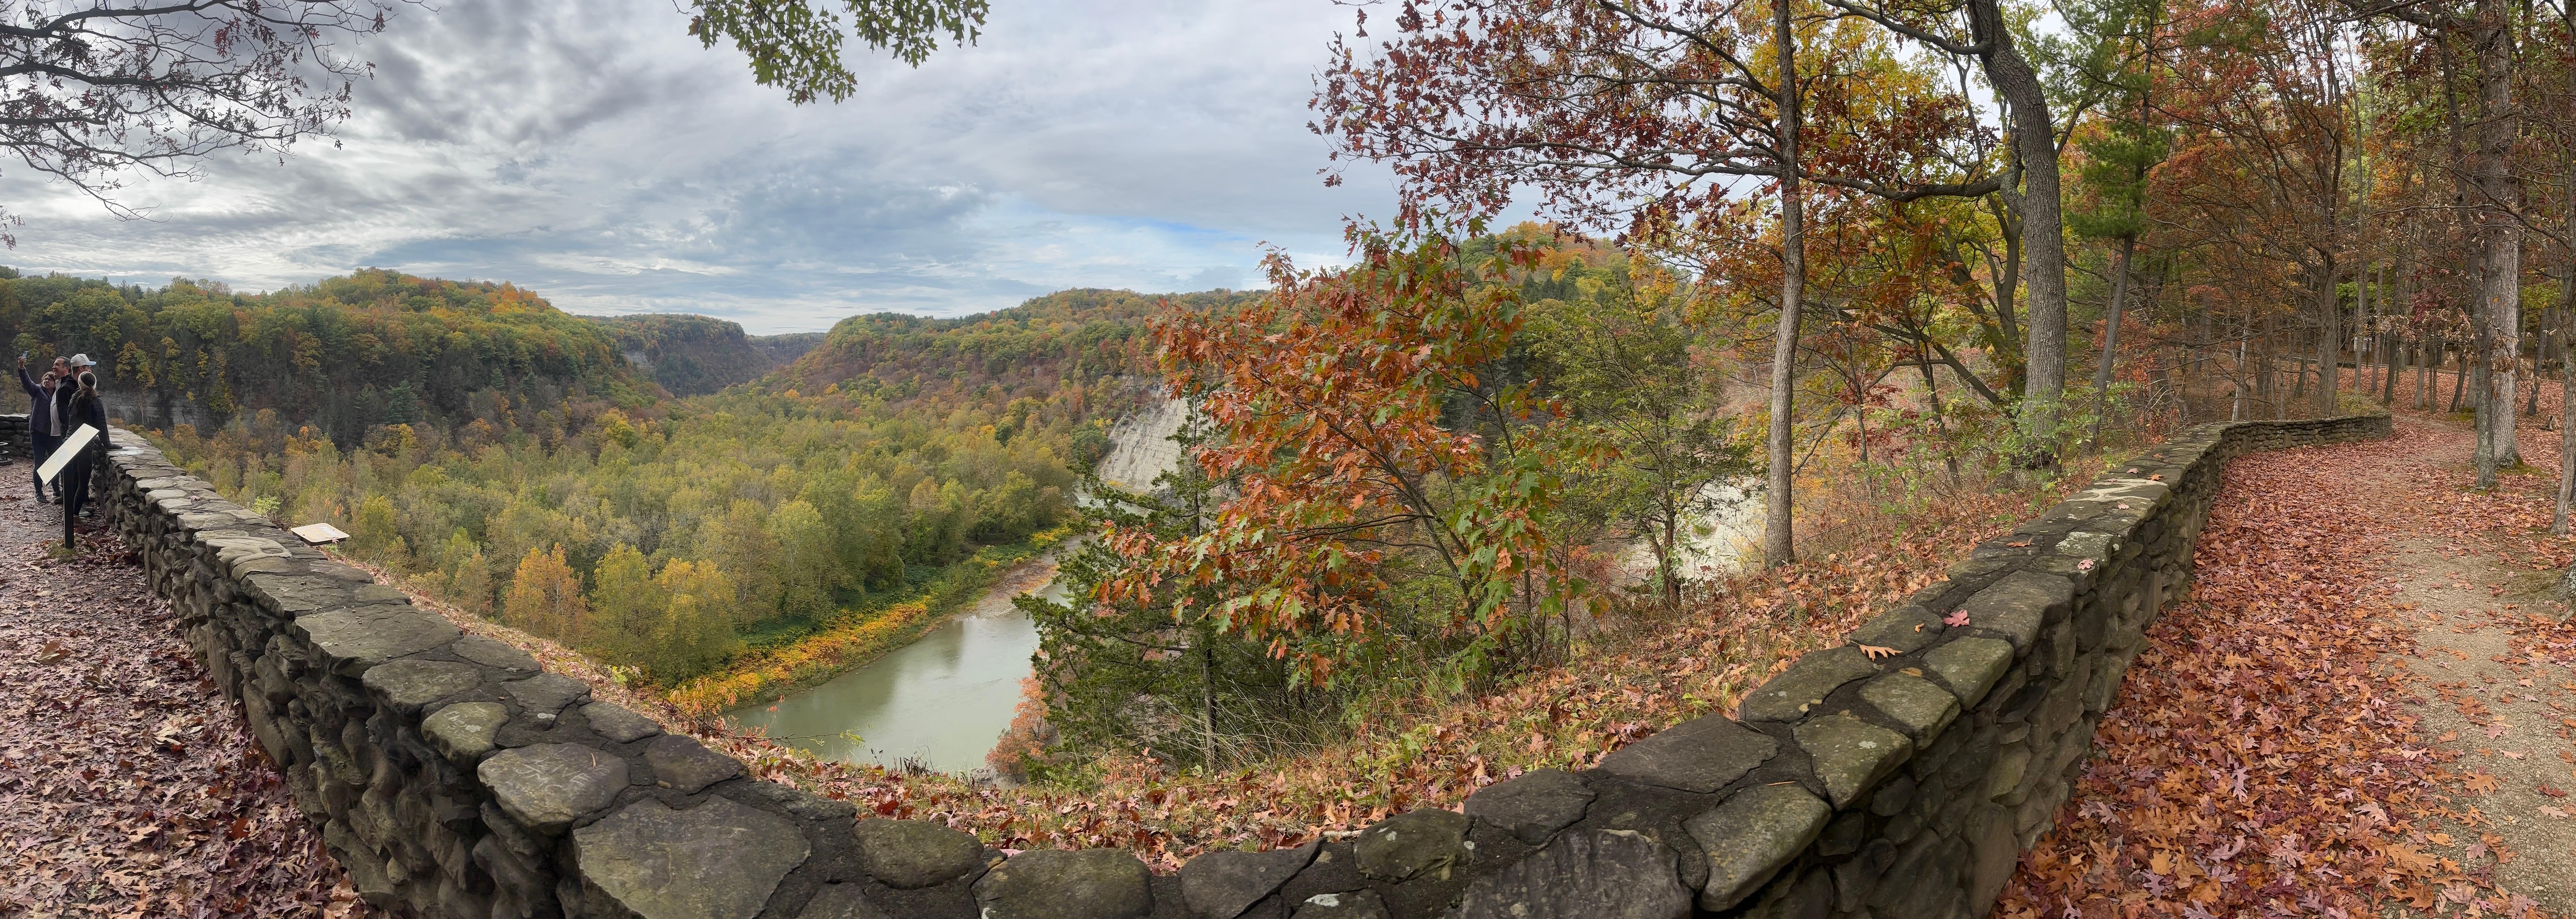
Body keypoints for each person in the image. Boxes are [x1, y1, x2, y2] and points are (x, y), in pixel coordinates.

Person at [60, 370, 105, 549]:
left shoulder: (75, 397)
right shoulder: (96, 400)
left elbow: (71, 420)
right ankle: (74, 516)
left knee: (72, 479)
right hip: (85, 445)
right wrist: (107, 444)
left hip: (70, 442)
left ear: (80, 384)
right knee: (83, 481)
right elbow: (101, 424)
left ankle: (69, 513)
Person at [16, 354, 62, 502]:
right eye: (45, 379)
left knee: (54, 463)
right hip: (38, 433)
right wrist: (22, 369)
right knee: (39, 463)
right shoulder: (37, 391)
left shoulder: (58, 395)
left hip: (53, 434)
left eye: (50, 379)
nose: (46, 381)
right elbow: (27, 383)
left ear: (55, 383)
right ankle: (39, 493)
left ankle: (56, 490)